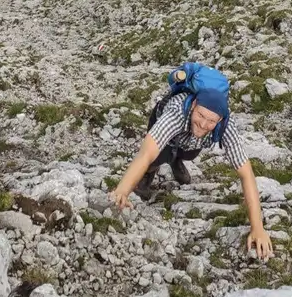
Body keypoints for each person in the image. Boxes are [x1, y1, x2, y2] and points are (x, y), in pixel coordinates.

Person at [109, 63, 274, 261]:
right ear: (194, 105)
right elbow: (145, 154)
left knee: (189, 152)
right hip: (165, 126)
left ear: (220, 120)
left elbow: (246, 173)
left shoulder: (225, 127)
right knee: (156, 157)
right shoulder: (177, 111)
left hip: (189, 141)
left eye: (211, 121)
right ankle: (151, 172)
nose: (204, 124)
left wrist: (258, 228)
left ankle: (177, 160)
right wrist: (122, 191)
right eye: (201, 115)